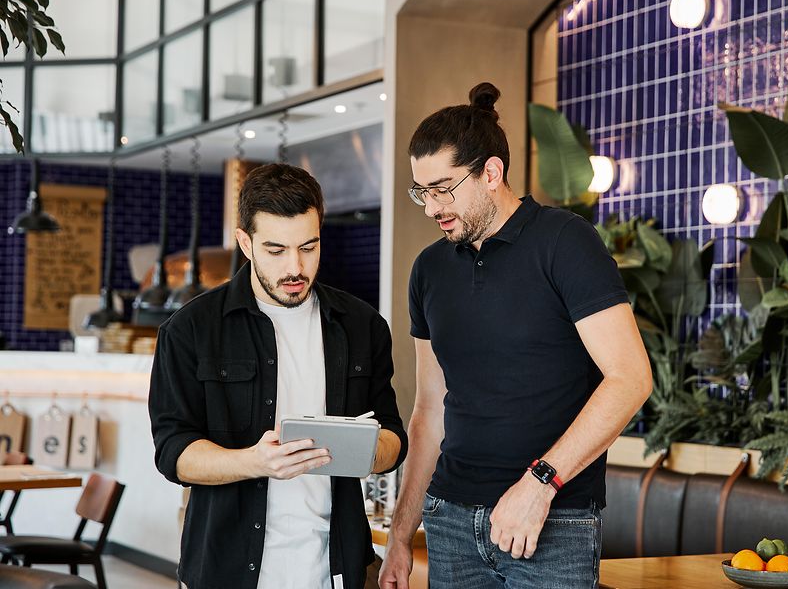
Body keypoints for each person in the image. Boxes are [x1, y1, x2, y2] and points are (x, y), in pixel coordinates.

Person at [379, 83, 652, 589]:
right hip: (451, 523)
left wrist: (539, 484)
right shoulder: (429, 270)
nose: (430, 207)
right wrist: (400, 532)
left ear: (491, 173)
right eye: (422, 191)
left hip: (552, 522)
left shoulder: (565, 243)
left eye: (443, 189)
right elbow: (430, 409)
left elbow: (630, 378)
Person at [150, 163, 408, 589]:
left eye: (309, 247)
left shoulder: (363, 326)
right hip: (225, 572)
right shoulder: (190, 330)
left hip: (337, 569)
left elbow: (393, 441)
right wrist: (254, 461)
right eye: (276, 250)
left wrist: (360, 451)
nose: (295, 267)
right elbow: (173, 451)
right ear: (245, 243)